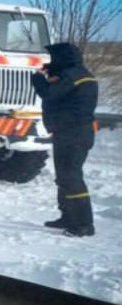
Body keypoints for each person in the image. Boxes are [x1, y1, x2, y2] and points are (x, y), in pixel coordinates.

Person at [33, 42, 98, 237]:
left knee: (71, 177)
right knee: (64, 177)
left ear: (63, 58)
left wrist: (37, 77)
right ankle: (68, 217)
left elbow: (49, 94)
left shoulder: (72, 76)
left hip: (74, 134)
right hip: (69, 132)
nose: (52, 62)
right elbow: (61, 93)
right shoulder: (78, 74)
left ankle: (84, 224)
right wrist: (51, 72)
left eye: (54, 58)